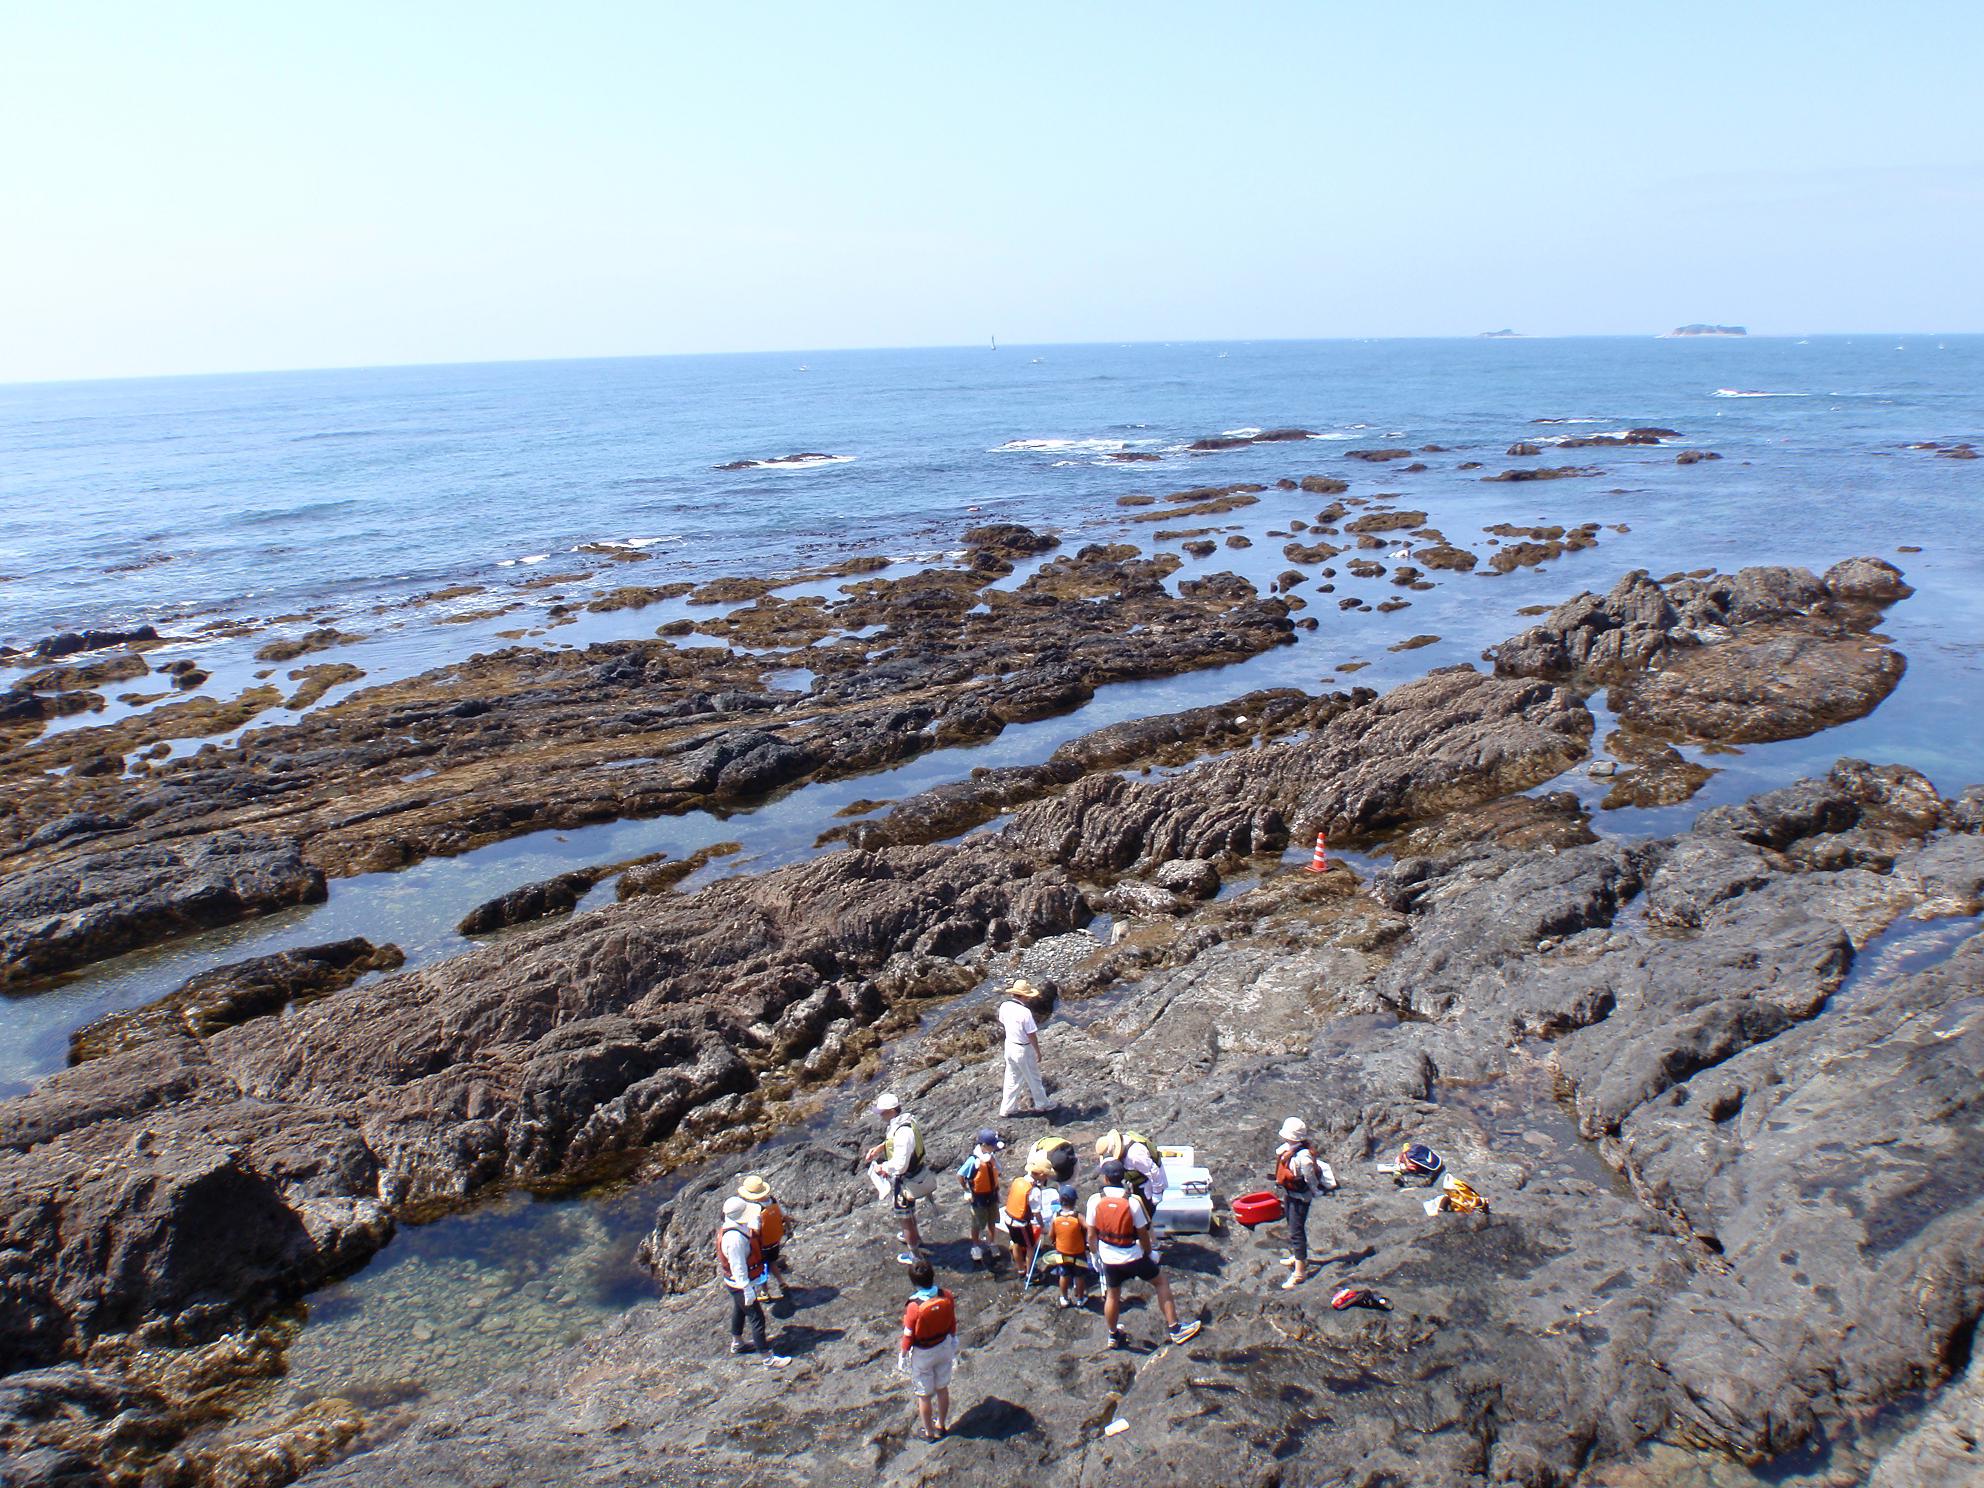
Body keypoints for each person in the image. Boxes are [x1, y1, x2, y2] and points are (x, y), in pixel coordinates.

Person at [1087, 1158, 1201, 1348]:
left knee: (1112, 1295)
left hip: (1108, 1257)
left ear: (1105, 1179)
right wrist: (1149, 1254)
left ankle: (1113, 1336)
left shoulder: (1094, 1201)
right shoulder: (1132, 1202)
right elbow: (1143, 1234)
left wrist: (1095, 1255)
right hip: (1132, 1256)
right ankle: (1175, 1329)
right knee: (1161, 1281)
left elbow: (1091, 1235)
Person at [717, 1195, 791, 1367]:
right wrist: (746, 1289)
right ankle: (768, 1359)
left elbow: (751, 1231)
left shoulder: (733, 1227)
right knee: (757, 1319)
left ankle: (737, 1343)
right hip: (739, 1285)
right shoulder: (734, 1240)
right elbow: (738, 1267)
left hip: (735, 1284)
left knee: (739, 1309)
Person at [865, 1093, 936, 1264]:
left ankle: (915, 1254)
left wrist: (883, 1167)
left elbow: (900, 1164)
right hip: (916, 1173)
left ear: (891, 1111)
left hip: (907, 1180)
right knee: (909, 1213)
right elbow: (896, 1143)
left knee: (904, 1216)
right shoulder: (907, 1121)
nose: (880, 1115)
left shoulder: (903, 1133)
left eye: (882, 1112)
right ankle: (915, 1238)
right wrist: (880, 1148)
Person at [898, 1257, 958, 1441]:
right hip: (944, 1346)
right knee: (942, 1388)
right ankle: (941, 1425)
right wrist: (954, 1339)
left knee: (924, 1395)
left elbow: (908, 1334)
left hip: (923, 1353)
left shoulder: (914, 1306)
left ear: (913, 1282)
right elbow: (952, 1321)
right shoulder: (946, 1295)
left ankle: (929, 1432)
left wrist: (903, 1354)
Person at [1272, 1117, 1335, 1290]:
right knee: (1290, 1222)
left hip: (1300, 1196)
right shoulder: (1288, 1150)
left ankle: (1300, 1272)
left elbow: (1310, 1178)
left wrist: (1316, 1191)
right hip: (1290, 1193)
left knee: (1296, 1231)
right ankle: (1298, 1256)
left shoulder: (1303, 1157)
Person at [998, 979, 1049, 1117]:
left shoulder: (1004, 1006)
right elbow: (1031, 1034)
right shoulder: (1024, 1012)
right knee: (1033, 1078)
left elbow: (1002, 1021)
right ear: (1025, 996)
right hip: (1022, 1048)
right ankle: (1042, 1104)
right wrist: (1037, 1051)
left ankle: (1007, 1108)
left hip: (1009, 1045)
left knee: (1011, 1078)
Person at [956, 1127, 1005, 1267]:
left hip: (992, 1195)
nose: (994, 1148)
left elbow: (998, 1171)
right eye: (992, 1145)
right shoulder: (973, 1161)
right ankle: (976, 1246)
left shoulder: (991, 1157)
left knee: (992, 1220)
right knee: (977, 1223)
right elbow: (960, 1175)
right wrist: (966, 1190)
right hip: (978, 1198)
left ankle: (992, 1242)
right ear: (984, 1145)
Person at [738, 1174, 789, 1299]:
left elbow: (755, 1230)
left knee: (762, 1267)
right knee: (772, 1261)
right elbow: (785, 1215)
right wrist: (788, 1228)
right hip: (775, 1240)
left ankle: (765, 1292)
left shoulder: (755, 1209)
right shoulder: (773, 1200)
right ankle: (781, 1282)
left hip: (762, 1244)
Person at [1044, 1182, 1093, 1308]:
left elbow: (1050, 1234)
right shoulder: (1078, 1217)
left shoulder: (1056, 1216)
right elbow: (1089, 1228)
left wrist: (1055, 1242)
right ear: (1074, 1202)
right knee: (1080, 1276)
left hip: (1062, 1252)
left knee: (1064, 1275)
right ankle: (1080, 1299)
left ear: (1060, 1201)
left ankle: (1064, 1298)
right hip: (1079, 1253)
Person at [1095, 1128, 1167, 1213]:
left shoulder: (1135, 1155)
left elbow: (1153, 1171)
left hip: (1148, 1184)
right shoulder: (1124, 1141)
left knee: (1146, 1210)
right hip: (1136, 1179)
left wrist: (1157, 1193)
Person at [1003, 1157, 1043, 1273]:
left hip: (1008, 1218)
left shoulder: (1019, 1181)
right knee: (1031, 1247)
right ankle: (1029, 1272)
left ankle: (1020, 1269)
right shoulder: (1034, 1190)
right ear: (1040, 1174)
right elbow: (1036, 1213)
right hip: (1020, 1223)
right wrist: (1042, 1225)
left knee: (1016, 1243)